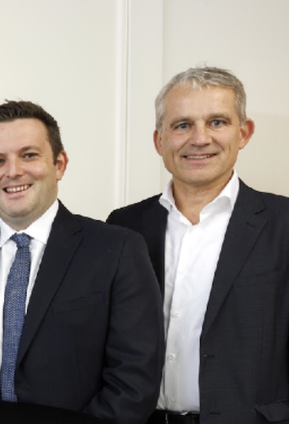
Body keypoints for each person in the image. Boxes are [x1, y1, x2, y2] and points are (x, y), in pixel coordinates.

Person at [0, 101, 163, 424]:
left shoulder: (118, 250)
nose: (13, 171)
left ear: (59, 164)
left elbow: (134, 381)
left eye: (29, 155)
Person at [107, 66, 289, 424]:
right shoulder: (125, 225)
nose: (200, 138)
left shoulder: (283, 224)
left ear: (244, 133)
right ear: (159, 140)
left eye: (217, 122)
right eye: (182, 125)